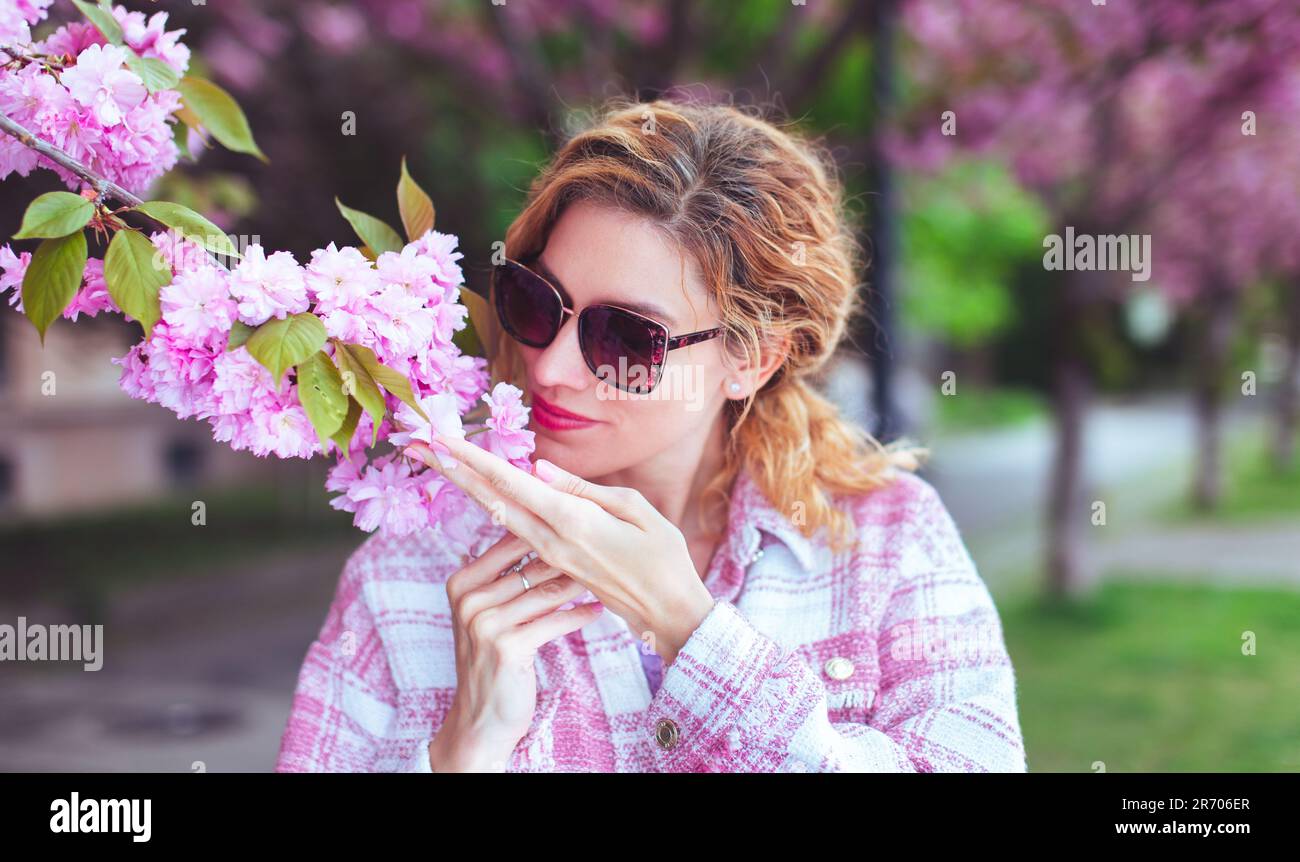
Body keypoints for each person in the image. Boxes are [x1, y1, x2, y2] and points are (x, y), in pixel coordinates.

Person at [274, 97, 1028, 772]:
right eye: (538, 302)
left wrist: (690, 629)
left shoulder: (888, 543)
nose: (553, 367)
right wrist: (460, 754)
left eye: (627, 338)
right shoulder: (406, 573)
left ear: (752, 360)